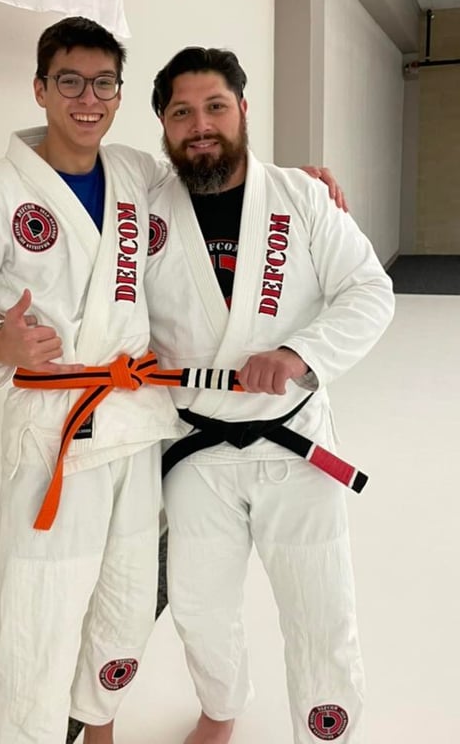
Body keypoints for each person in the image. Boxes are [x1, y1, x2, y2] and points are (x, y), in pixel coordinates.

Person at [0, 17, 347, 744]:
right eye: (70, 82)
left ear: (118, 94)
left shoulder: (135, 173)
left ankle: (99, 725)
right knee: (42, 618)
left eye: (103, 83)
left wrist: (295, 184)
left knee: (127, 602)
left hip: (138, 425)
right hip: (57, 432)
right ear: (40, 89)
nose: (88, 99)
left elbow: (215, 175)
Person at [145, 47, 395, 744]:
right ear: (163, 126)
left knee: (320, 606)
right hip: (196, 445)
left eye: (215, 107)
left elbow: (369, 290)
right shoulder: (143, 210)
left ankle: (325, 731)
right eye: (182, 112)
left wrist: (298, 355)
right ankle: (220, 707)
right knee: (198, 604)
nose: (200, 125)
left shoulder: (300, 196)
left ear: (243, 110)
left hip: (295, 439)